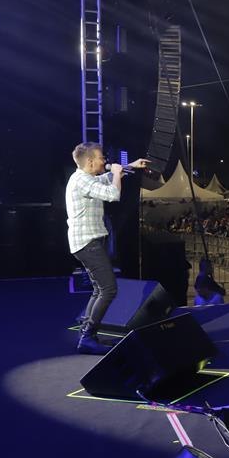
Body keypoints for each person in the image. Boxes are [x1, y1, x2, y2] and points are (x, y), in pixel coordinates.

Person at [65, 142, 148, 355]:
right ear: (90, 161)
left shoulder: (85, 178)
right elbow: (113, 194)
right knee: (109, 289)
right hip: (87, 244)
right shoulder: (82, 180)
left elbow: (106, 177)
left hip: (88, 242)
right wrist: (118, 173)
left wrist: (129, 166)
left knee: (99, 289)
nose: (105, 161)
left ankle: (87, 333)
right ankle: (87, 337)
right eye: (102, 158)